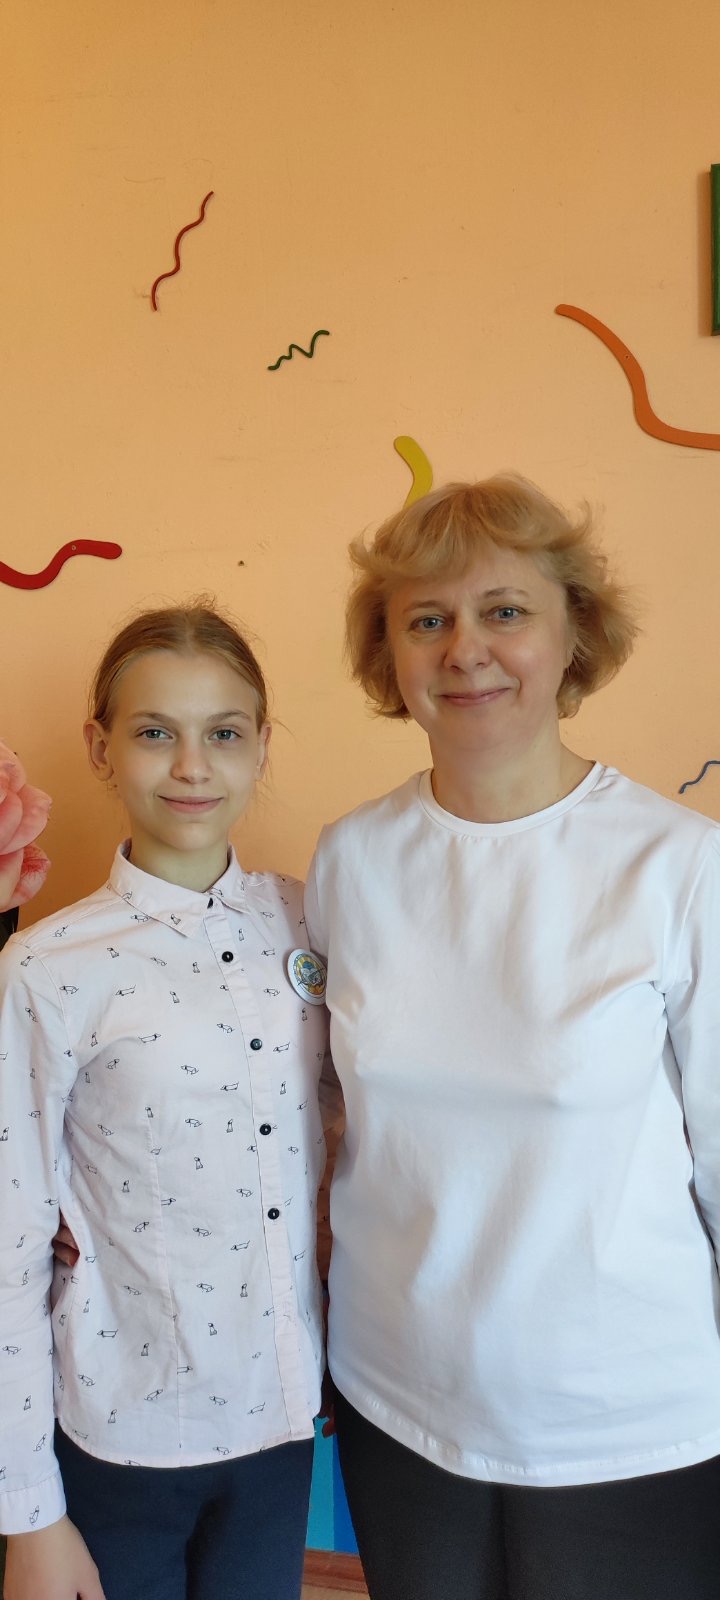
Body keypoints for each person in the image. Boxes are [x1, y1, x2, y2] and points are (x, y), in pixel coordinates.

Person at [304, 475, 720, 1600]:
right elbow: (324, 1113)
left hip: (626, 1422)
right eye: (425, 619)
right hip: (397, 1396)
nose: (465, 650)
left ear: (574, 631)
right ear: (387, 653)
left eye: (504, 611)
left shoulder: (680, 865)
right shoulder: (351, 860)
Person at [0, 602, 335, 1600]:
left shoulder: (311, 918)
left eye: (223, 733)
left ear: (262, 744)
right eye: (155, 732)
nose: (192, 766)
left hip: (283, 1419)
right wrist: (29, 1516)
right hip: (124, 1433)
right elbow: (10, 1238)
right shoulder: (49, 967)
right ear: (101, 748)